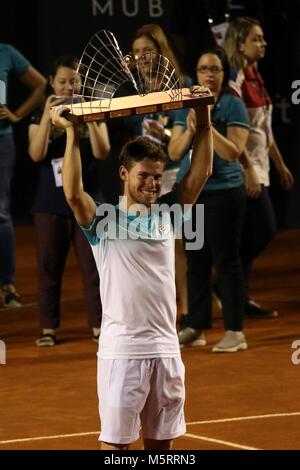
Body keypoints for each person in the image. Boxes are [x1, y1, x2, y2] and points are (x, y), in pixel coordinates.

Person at [50, 85, 213, 449]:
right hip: (122, 354)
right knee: (117, 449)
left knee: (161, 448)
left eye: (158, 176)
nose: (153, 183)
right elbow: (74, 192)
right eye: (144, 176)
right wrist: (72, 136)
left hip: (167, 350)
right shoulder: (103, 219)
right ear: (124, 174)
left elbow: (200, 176)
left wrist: (203, 120)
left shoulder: (170, 212)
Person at [169, 47, 250, 352]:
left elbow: (234, 153)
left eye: (215, 69)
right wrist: (191, 130)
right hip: (193, 195)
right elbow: (175, 152)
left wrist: (206, 125)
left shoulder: (233, 105)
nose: (209, 75)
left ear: (223, 74)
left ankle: (235, 332)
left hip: (225, 195)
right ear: (197, 73)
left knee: (227, 262)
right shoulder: (186, 104)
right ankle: (195, 326)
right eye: (203, 69)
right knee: (196, 264)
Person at [28, 56, 110, 346]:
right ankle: (48, 328)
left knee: (95, 266)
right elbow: (36, 154)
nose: (67, 86)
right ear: (51, 82)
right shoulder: (42, 115)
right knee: (49, 266)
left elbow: (103, 152)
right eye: (62, 81)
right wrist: (51, 119)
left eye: (73, 80)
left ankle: (100, 326)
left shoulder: (91, 109)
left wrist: (91, 115)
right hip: (50, 202)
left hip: (87, 200)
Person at [224, 17, 294, 318]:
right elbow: (234, 131)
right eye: (257, 39)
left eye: (263, 38)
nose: (263, 43)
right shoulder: (234, 81)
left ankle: (240, 297)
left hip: (262, 168)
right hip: (244, 171)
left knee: (251, 232)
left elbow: (264, 131)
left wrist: (280, 165)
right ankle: (226, 281)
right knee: (264, 229)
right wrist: (249, 168)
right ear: (241, 44)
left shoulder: (257, 77)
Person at [0, 43, 46, 308]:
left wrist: (16, 114)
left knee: (2, 213)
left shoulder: (6, 52)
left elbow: (42, 86)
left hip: (2, 140)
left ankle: (7, 284)